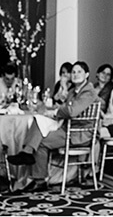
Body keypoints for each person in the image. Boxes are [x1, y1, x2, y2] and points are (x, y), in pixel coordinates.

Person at [6, 60, 100, 192]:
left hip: (80, 133)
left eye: (79, 72)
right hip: (68, 127)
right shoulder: (73, 91)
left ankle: (39, 178)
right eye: (73, 72)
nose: (75, 74)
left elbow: (72, 111)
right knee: (38, 119)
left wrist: (57, 111)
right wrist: (61, 106)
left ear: (86, 75)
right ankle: (28, 154)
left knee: (40, 141)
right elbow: (65, 107)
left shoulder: (88, 91)